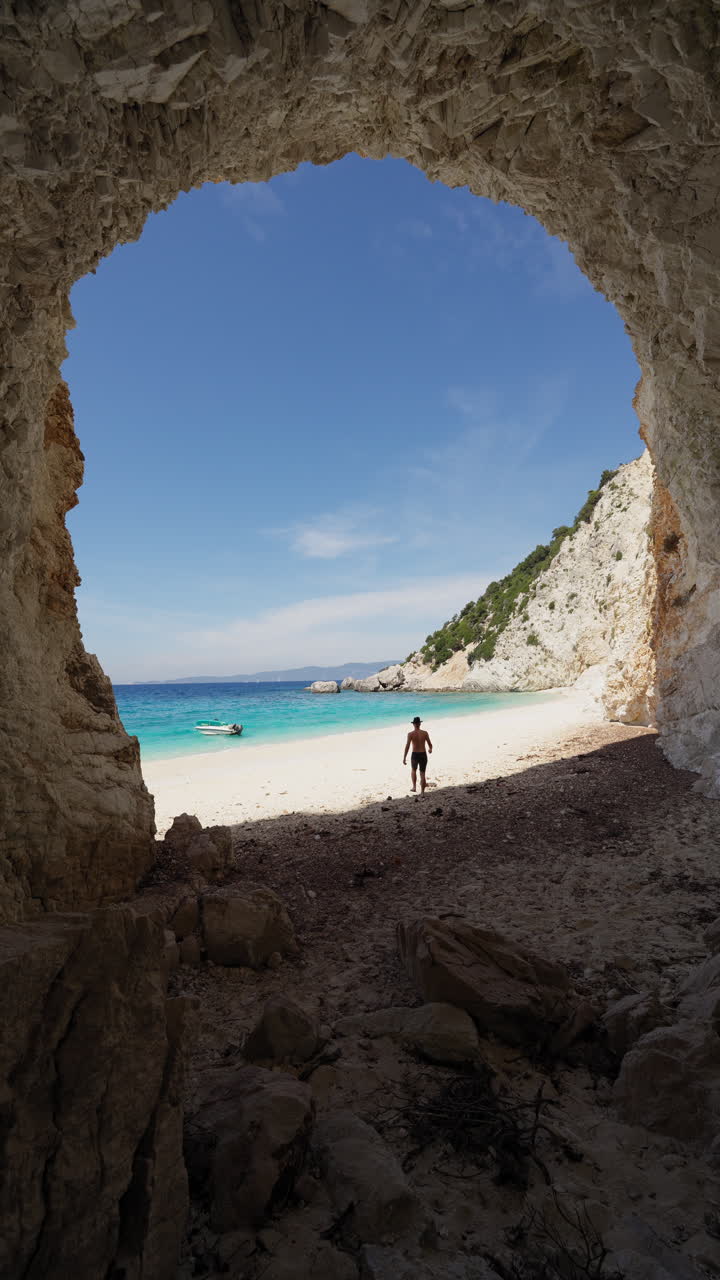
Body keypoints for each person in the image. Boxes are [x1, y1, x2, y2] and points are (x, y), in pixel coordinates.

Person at [403, 716, 433, 793]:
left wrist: (404, 757)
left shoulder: (410, 734)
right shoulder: (425, 733)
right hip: (423, 754)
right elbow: (430, 744)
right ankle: (422, 792)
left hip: (415, 755)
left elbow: (407, 746)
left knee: (413, 770)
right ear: (420, 723)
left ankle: (414, 787)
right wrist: (430, 749)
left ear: (413, 724)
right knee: (422, 773)